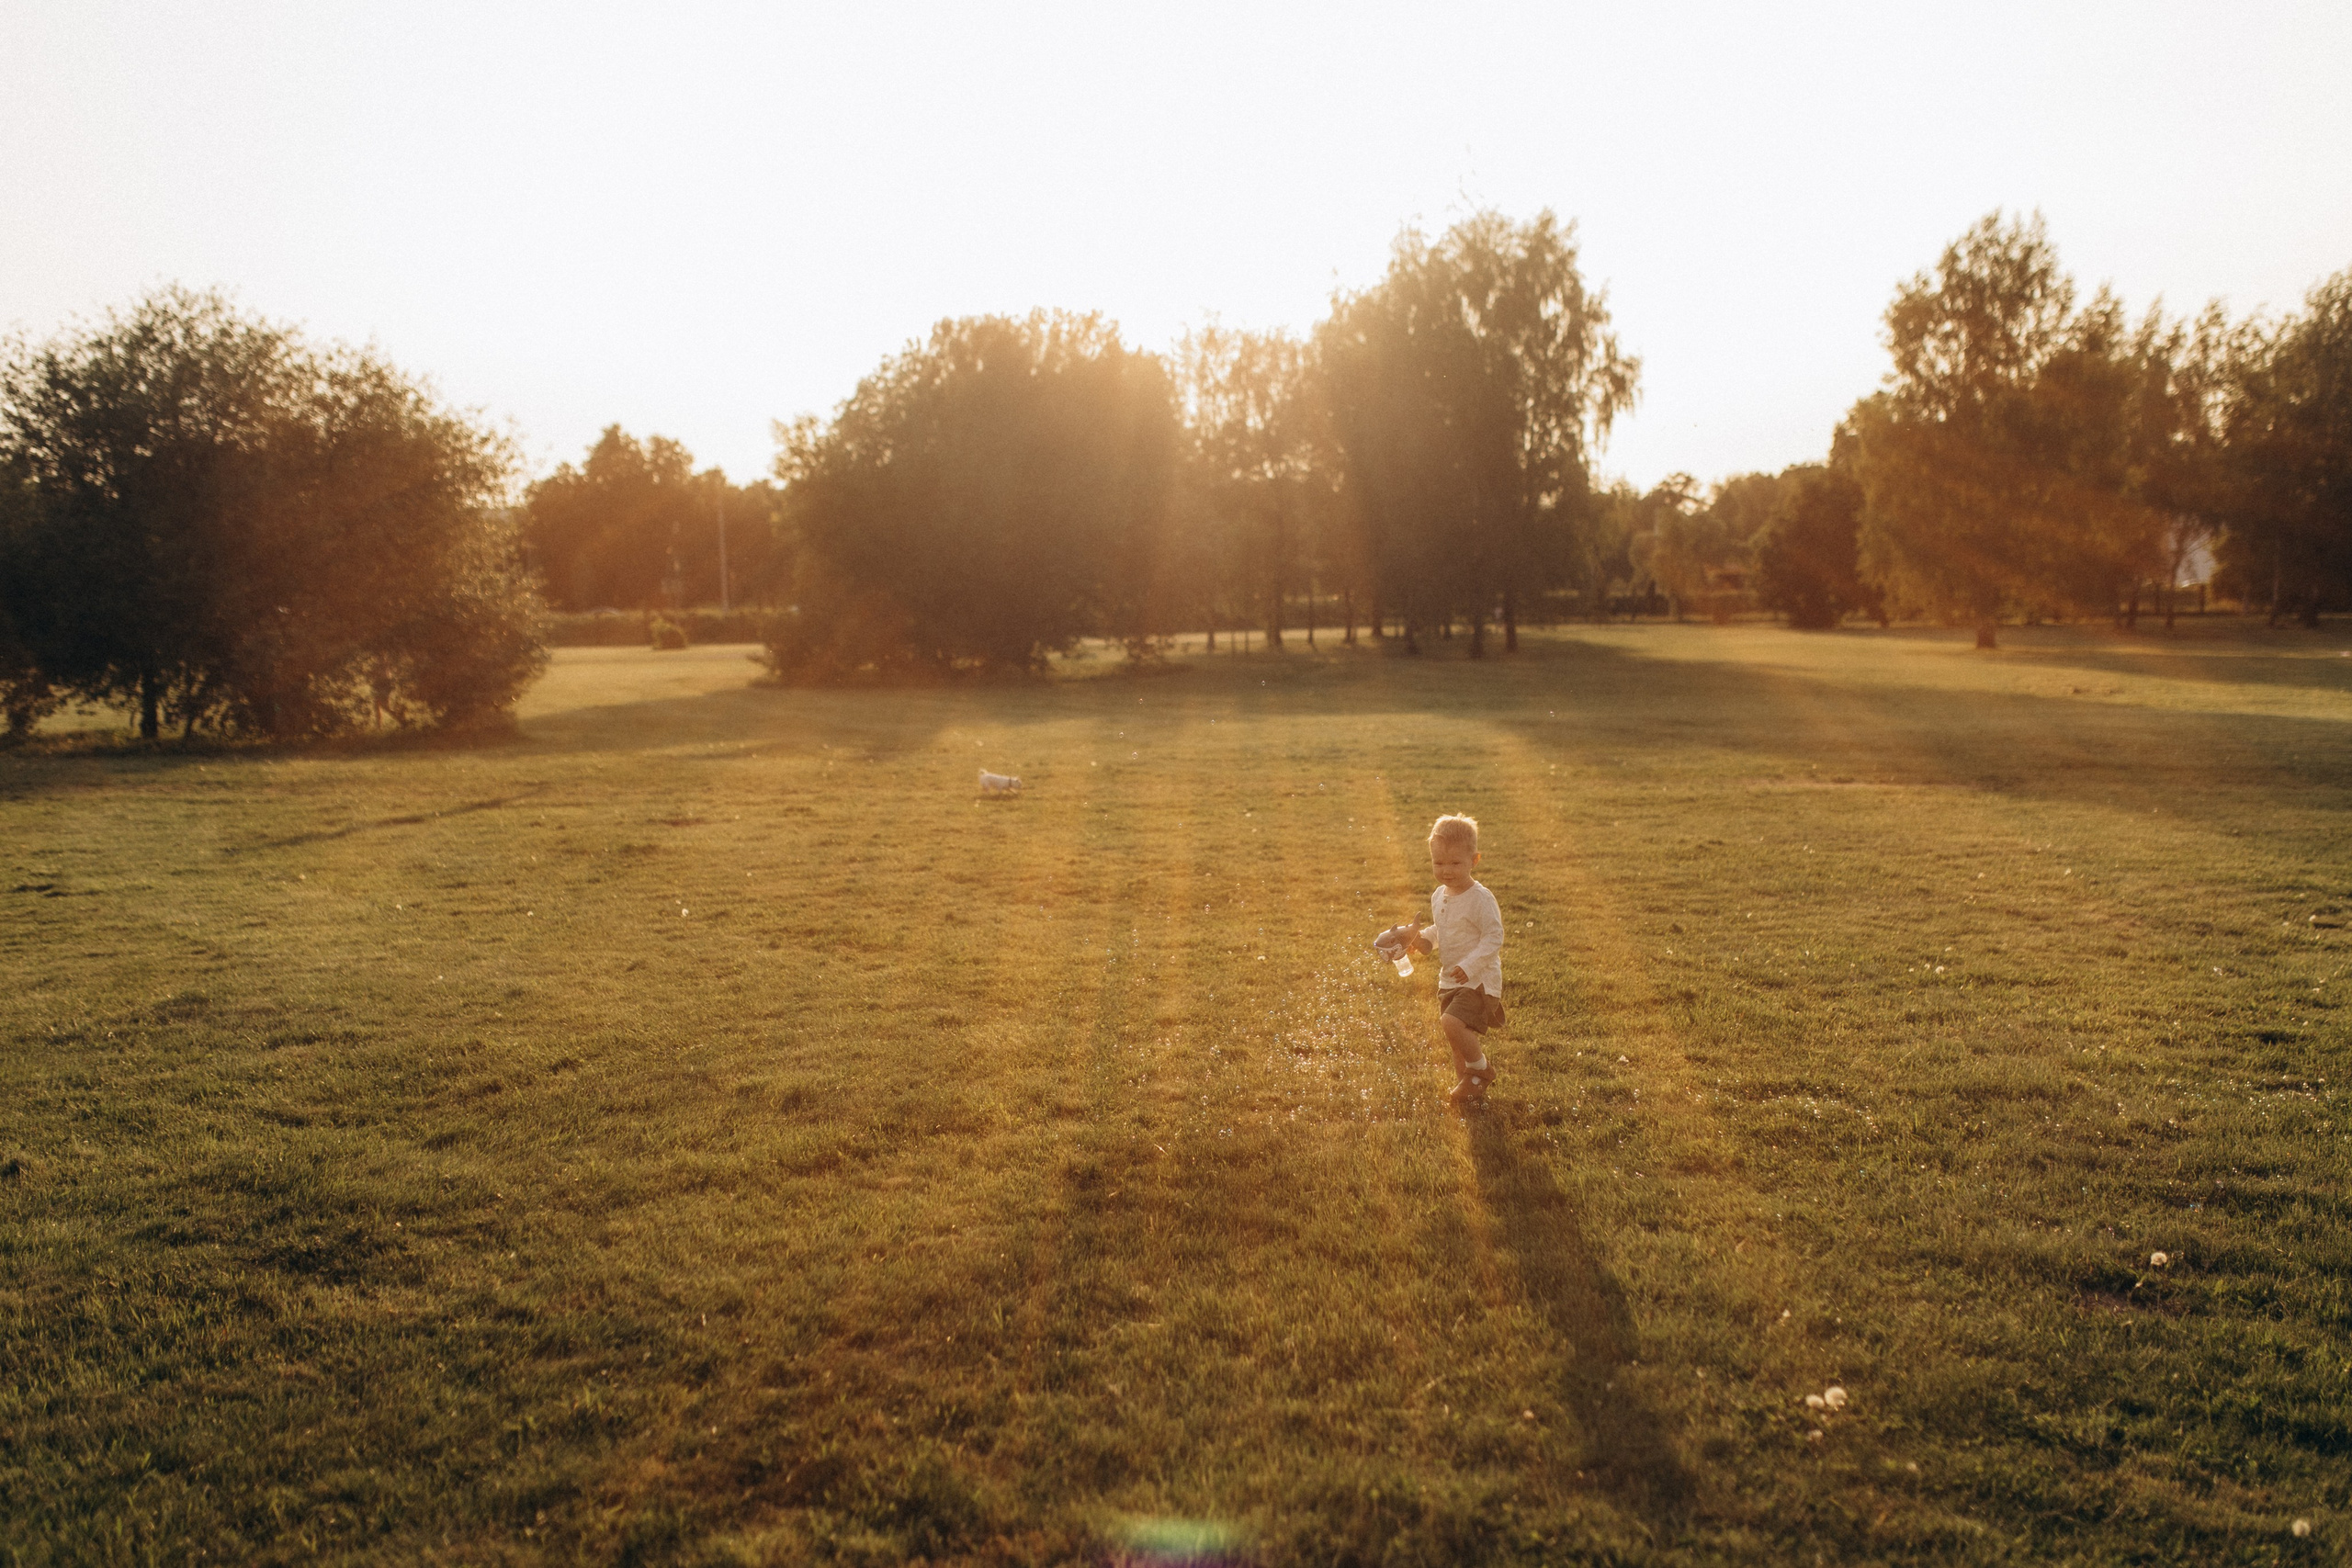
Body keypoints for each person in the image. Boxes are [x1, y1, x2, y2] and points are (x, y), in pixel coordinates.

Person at [1382, 814, 1505, 1108]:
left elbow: (1494, 937)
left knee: (1451, 1022)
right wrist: (1422, 940)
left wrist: (1469, 965)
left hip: (1478, 980)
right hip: (1449, 979)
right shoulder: (1440, 895)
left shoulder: (1480, 898)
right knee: (1456, 1039)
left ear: (1474, 860)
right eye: (1439, 863)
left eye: (1455, 863)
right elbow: (1442, 929)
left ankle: (1481, 1070)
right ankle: (1468, 1088)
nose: (1446, 871)